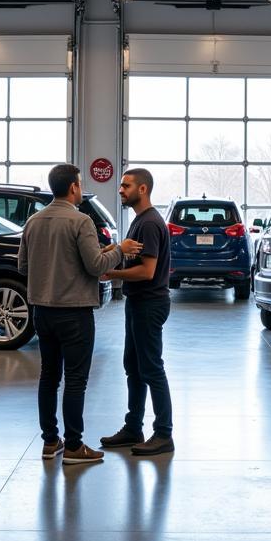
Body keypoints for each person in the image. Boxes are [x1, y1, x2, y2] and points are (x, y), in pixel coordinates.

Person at [19, 163, 142, 465]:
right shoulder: (81, 221)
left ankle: (51, 441)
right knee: (75, 380)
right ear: (73, 187)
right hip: (74, 314)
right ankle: (74, 446)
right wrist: (121, 249)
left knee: (49, 376)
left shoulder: (33, 221)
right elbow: (96, 266)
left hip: (42, 313)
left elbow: (23, 267)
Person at [99, 168, 175, 457]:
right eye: (121, 185)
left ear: (142, 189)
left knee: (151, 369)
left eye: (126, 185)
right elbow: (137, 259)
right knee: (133, 366)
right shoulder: (138, 221)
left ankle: (164, 433)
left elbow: (147, 271)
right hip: (137, 303)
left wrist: (112, 273)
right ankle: (133, 427)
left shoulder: (150, 223)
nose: (120, 189)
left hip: (149, 303)